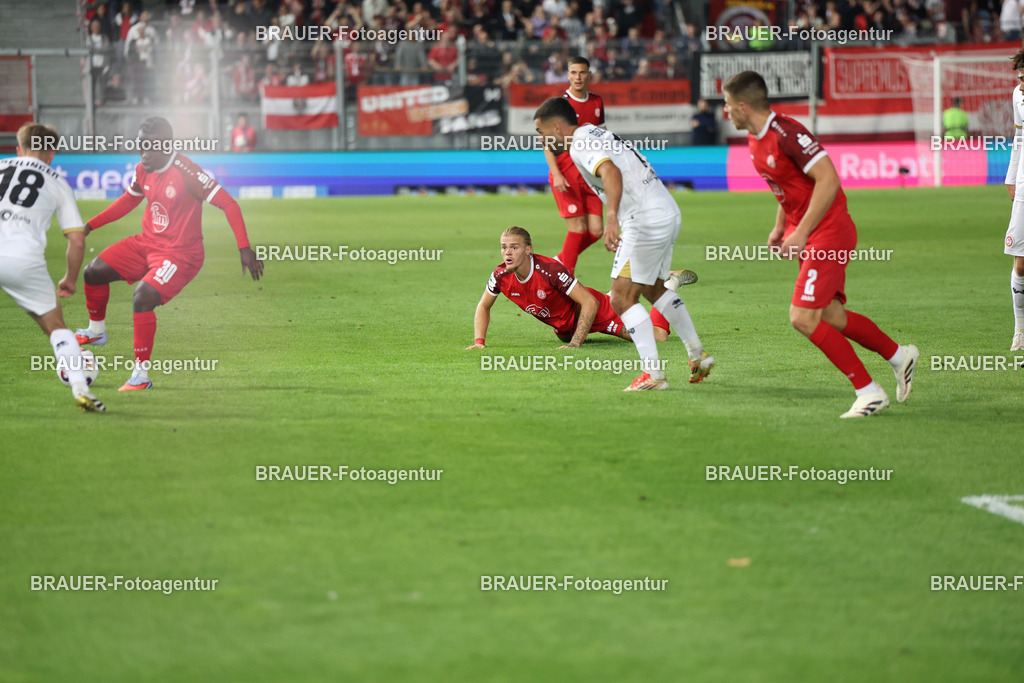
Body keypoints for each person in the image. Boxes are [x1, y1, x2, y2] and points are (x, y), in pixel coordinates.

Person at [722, 70, 919, 418]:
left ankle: (868, 391)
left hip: (829, 233)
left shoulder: (788, 133)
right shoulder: (755, 138)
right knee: (830, 314)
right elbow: (784, 186)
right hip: (810, 232)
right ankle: (899, 355)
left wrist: (801, 232)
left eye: (727, 105)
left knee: (802, 317)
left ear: (742, 105)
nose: (725, 112)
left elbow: (828, 179)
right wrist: (781, 225)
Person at [534, 97, 715, 391]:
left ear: (556, 126)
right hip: (665, 211)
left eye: (541, 133)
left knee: (620, 298)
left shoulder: (580, 143)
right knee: (654, 289)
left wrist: (612, 217)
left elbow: (611, 172)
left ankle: (653, 375)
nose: (541, 140)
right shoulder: (595, 132)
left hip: (642, 219)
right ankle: (698, 354)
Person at [75, 117, 264, 391]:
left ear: (166, 146)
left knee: (143, 297)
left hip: (181, 255)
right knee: (93, 272)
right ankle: (96, 332)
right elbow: (128, 200)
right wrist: (91, 225)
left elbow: (229, 203)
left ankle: (140, 376)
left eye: (149, 147)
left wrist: (244, 247)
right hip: (146, 243)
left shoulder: (187, 171)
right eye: (140, 146)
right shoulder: (143, 169)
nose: (143, 153)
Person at [0, 124, 105, 412]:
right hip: (21, 260)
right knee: (56, 328)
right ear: (52, 154)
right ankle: (81, 388)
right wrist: (70, 281)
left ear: (18, 150)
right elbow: (77, 240)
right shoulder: (57, 182)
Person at [466, 227, 681, 350]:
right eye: (504, 247)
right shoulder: (500, 275)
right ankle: (613, 297)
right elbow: (483, 306)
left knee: (658, 336)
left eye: (515, 247)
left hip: (597, 313)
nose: (508, 253)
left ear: (529, 249)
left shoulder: (550, 270)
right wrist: (479, 342)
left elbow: (589, 302)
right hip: (566, 326)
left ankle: (667, 285)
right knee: (564, 335)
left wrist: (576, 343)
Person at [542, 56, 605, 274]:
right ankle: (565, 278)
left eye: (582, 72)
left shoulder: (597, 102)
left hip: (590, 172)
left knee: (596, 231)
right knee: (577, 228)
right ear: (568, 75)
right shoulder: (560, 105)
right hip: (567, 173)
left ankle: (558, 262)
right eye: (573, 72)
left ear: (589, 74)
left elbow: (601, 135)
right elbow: (548, 143)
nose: (578, 77)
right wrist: (556, 174)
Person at [1004, 48, 1024, 351]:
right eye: (1019, 76)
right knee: (1021, 264)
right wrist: (1011, 176)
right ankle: (1020, 329)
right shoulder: (1017, 95)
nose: (1021, 82)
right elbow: (1019, 137)